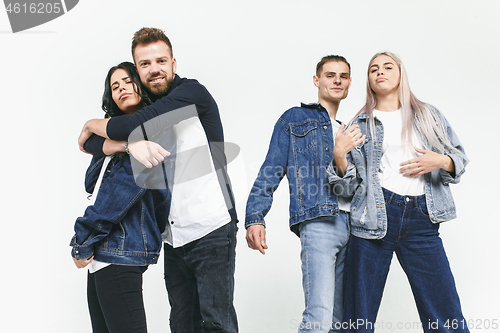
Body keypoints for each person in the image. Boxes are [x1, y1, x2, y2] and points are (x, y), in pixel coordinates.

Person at [77, 27, 238, 333]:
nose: (154, 70)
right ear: (138, 70)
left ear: (173, 63)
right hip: (173, 237)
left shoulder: (190, 93)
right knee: (180, 323)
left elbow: (127, 126)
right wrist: (124, 143)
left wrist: (90, 124)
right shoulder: (149, 108)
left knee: (217, 322)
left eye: (160, 61)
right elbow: (96, 147)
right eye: (145, 64)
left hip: (211, 226)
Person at [327, 52, 470, 332]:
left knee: (446, 316)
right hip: (373, 221)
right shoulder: (359, 124)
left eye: (387, 67)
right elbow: (345, 190)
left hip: (422, 219)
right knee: (358, 318)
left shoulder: (427, 115)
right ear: (368, 80)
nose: (380, 72)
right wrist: (339, 156)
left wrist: (439, 161)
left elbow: (459, 161)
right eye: (373, 69)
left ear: (400, 73)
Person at [245, 55, 364, 333]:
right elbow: (271, 169)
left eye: (343, 76)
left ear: (349, 84)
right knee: (318, 319)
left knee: (343, 322)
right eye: (330, 75)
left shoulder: (353, 132)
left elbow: (358, 184)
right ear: (317, 80)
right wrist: (255, 217)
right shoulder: (295, 119)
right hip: (320, 222)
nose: (337, 80)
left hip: (356, 227)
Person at [71, 61, 170, 333]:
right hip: (106, 253)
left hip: (117, 251)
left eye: (127, 81)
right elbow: (91, 166)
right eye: (115, 86)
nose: (122, 88)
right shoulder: (128, 142)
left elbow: (115, 197)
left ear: (140, 84)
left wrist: (83, 240)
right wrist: (121, 144)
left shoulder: (149, 135)